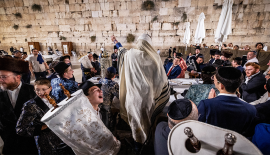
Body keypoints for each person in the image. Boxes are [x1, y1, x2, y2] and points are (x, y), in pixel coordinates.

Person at [112, 34, 170, 150]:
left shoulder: (130, 54)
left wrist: (116, 42)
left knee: (135, 125)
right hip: (148, 99)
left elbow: (121, 51)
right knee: (147, 123)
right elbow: (161, 80)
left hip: (132, 99)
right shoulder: (155, 58)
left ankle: (137, 146)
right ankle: (147, 145)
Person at [16, 78, 74, 155]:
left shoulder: (53, 98)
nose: (40, 92)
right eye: (37, 90)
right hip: (47, 143)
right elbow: (20, 129)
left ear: (50, 88)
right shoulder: (30, 105)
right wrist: (42, 127)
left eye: (44, 89)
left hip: (61, 138)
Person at [198, 67, 256, 135]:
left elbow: (198, 128)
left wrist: (210, 102)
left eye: (214, 79)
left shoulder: (206, 104)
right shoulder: (251, 109)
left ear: (221, 85)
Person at [0, 57, 38, 155]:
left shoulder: (34, 92)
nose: (0, 80)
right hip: (10, 143)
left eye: (4, 77)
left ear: (17, 77)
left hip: (31, 143)